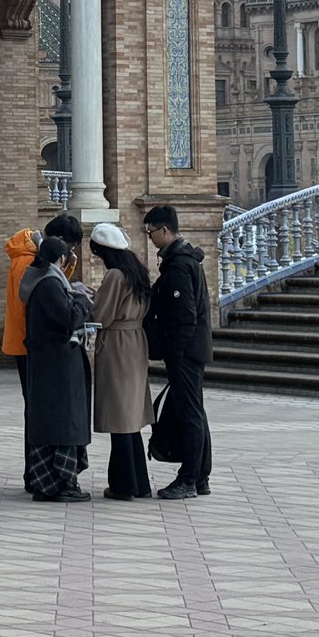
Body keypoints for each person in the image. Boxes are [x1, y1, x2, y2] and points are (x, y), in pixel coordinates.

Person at [19, 219, 94, 502]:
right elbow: (68, 317)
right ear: (58, 258)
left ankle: (51, 481)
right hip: (57, 365)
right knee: (62, 424)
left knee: (53, 423)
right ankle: (59, 483)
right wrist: (82, 301)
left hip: (48, 363)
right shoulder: (49, 283)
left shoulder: (38, 277)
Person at [143, 206, 212, 501]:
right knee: (194, 411)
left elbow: (185, 315)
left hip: (186, 352)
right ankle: (200, 476)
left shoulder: (179, 265)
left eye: (152, 232)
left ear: (166, 231)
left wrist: (173, 350)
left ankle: (189, 478)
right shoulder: (180, 261)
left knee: (189, 414)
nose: (150, 238)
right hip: (190, 350)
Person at [86, 222, 154, 501]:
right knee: (131, 415)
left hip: (117, 344)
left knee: (119, 415)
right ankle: (139, 483)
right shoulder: (136, 272)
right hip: (136, 341)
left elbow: (101, 314)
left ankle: (123, 484)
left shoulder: (114, 275)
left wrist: (90, 300)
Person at [3, 224, 40, 495]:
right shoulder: (27, 262)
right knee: (35, 408)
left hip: (18, 342)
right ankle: (33, 470)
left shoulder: (19, 260)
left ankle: (32, 469)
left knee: (32, 406)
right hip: (29, 344)